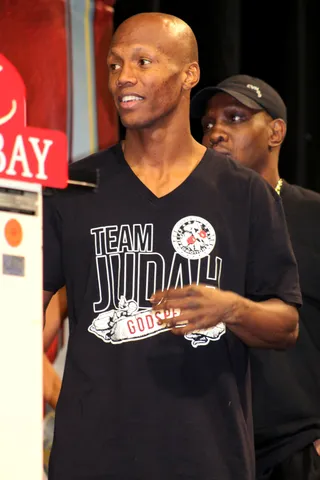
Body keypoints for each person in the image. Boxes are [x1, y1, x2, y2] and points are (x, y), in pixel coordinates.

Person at [43, 14, 302, 480]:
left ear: (189, 74)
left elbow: (286, 326)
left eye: (143, 61)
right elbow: (24, 311)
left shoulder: (244, 193)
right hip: (92, 457)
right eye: (114, 65)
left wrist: (231, 309)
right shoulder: (75, 187)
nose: (124, 77)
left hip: (207, 456)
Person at [190, 74, 320, 479]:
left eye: (235, 118)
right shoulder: (188, 223)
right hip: (208, 445)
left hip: (295, 445)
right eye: (209, 124)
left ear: (275, 131)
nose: (216, 133)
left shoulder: (313, 215)